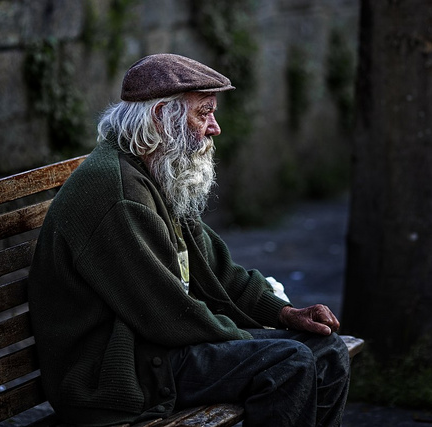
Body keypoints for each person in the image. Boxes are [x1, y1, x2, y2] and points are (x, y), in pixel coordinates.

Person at [28, 53, 350, 427]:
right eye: (204, 113)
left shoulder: (155, 171)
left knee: (326, 350)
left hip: (157, 347)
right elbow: (166, 315)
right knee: (288, 363)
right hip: (119, 373)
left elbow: (218, 272)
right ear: (161, 116)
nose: (215, 128)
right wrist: (260, 341)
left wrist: (282, 314)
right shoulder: (118, 193)